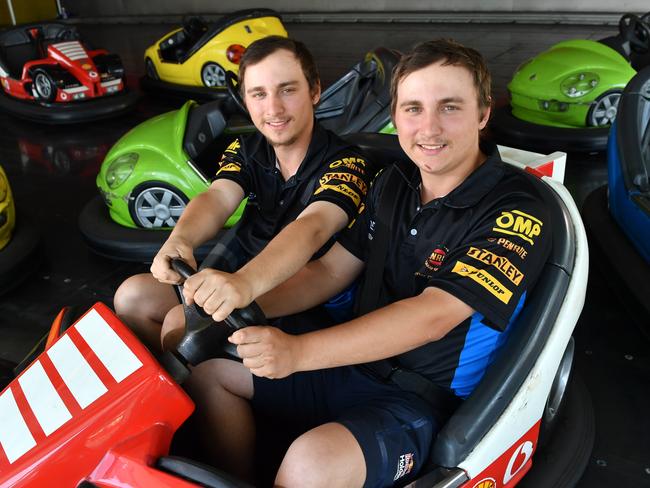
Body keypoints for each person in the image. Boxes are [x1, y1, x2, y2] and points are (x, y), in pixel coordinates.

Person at [184, 38, 553, 488]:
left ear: (483, 113)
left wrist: (298, 352)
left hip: (416, 399)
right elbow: (329, 271)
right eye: (413, 109)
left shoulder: (517, 210)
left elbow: (432, 316)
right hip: (348, 365)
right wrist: (239, 303)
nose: (429, 128)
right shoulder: (392, 186)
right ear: (395, 116)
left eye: (450, 107)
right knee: (209, 379)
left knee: (310, 463)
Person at [113, 36, 372, 353]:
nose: (273, 108)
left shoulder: (347, 164)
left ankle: (198, 380)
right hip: (234, 277)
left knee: (179, 322)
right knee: (131, 297)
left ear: (315, 91)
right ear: (246, 103)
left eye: (287, 90)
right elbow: (217, 198)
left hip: (296, 294)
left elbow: (313, 226)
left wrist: (244, 283)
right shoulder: (246, 150)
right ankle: (180, 383)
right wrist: (181, 239)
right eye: (259, 94)